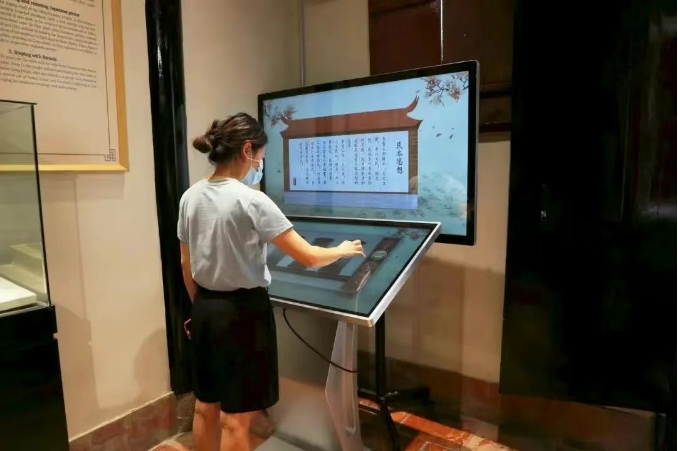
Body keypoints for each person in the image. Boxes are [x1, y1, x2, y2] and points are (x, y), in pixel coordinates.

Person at [178, 112, 364, 451]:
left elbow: (185, 262)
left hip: (205, 309)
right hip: (242, 315)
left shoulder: (190, 196)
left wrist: (200, 309)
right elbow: (309, 256)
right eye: (261, 157)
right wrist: (341, 249)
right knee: (236, 418)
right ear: (247, 150)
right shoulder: (252, 201)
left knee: (205, 407)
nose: (260, 165)